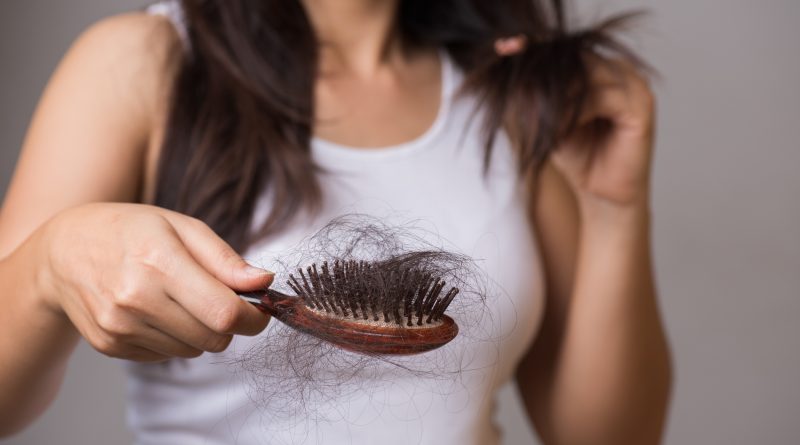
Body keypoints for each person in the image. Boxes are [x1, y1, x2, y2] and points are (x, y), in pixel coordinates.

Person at [0, 0, 672, 443]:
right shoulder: (147, 62)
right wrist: (46, 268)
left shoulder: (508, 92)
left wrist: (613, 207)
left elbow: (609, 437)